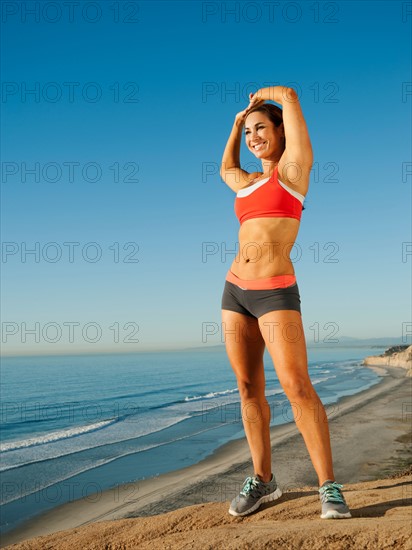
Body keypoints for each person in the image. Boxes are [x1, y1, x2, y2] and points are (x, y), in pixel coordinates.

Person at [220, 86, 351, 520]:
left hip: (275, 290)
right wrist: (237, 125)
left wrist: (272, 95)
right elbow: (225, 169)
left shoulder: (292, 172)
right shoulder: (248, 183)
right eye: (250, 131)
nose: (255, 136)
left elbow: (292, 99)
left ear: (280, 131)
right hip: (234, 290)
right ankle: (264, 480)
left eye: (262, 128)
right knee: (247, 388)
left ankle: (328, 487)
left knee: (296, 385)